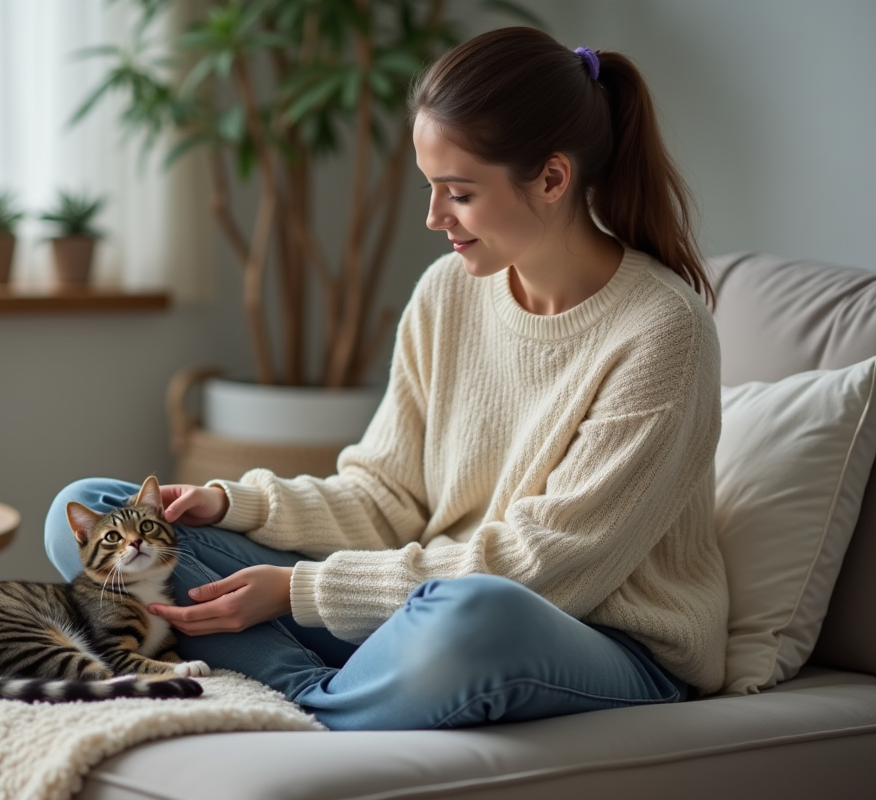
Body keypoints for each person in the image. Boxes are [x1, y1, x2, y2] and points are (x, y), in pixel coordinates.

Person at [45, 26, 727, 731]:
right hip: (424, 597)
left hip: (593, 635)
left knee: (474, 615)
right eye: (431, 188)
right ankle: (325, 688)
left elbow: (546, 569)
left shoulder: (661, 332)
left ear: (552, 179)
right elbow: (385, 496)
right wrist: (233, 505)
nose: (435, 218)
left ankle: (321, 692)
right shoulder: (447, 293)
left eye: (458, 193)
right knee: (88, 508)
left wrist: (299, 592)